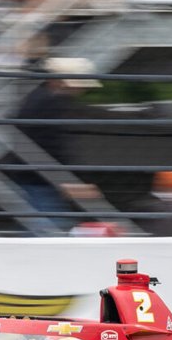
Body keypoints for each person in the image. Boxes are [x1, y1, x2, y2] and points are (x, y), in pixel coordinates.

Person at [10, 56, 105, 232]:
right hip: (39, 181)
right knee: (48, 235)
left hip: (34, 178)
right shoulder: (51, 102)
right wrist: (69, 181)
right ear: (59, 82)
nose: (80, 90)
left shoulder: (37, 97)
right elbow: (52, 144)